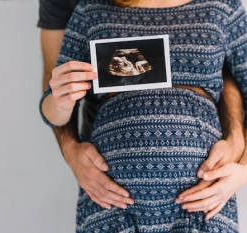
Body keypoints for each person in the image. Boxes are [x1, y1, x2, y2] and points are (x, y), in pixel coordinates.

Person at [39, 0, 247, 232]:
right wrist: (59, 102)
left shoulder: (224, 6)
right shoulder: (91, 8)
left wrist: (245, 169)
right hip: (112, 200)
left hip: (203, 203)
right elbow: (52, 109)